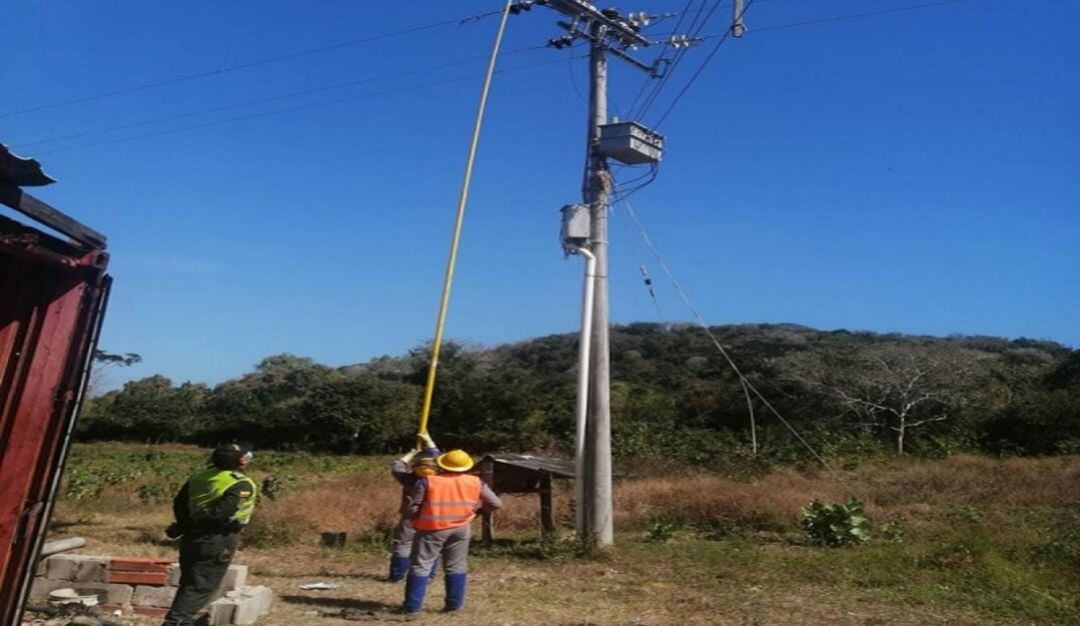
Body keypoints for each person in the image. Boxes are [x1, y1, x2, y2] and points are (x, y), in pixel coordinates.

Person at [162, 444, 258, 626]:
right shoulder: (239, 483)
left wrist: (184, 525)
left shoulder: (199, 476)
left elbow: (180, 503)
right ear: (239, 462)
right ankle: (176, 622)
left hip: (191, 537)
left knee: (190, 582)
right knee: (202, 585)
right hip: (217, 538)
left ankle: (182, 620)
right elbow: (222, 513)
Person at [402, 449, 502, 617]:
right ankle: (453, 606)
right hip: (461, 528)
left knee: (421, 565)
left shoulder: (428, 481)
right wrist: (477, 512)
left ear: (442, 464)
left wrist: (414, 521)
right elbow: (495, 503)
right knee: (456, 565)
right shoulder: (475, 482)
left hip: (431, 529)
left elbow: (413, 508)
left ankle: (412, 607)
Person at [387, 433, 440, 582]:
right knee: (431, 547)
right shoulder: (439, 479)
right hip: (432, 517)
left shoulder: (410, 480)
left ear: (416, 468)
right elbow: (442, 461)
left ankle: (398, 576)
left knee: (403, 545)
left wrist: (411, 453)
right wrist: (429, 441)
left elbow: (397, 466)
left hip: (410, 516)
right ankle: (428, 576)